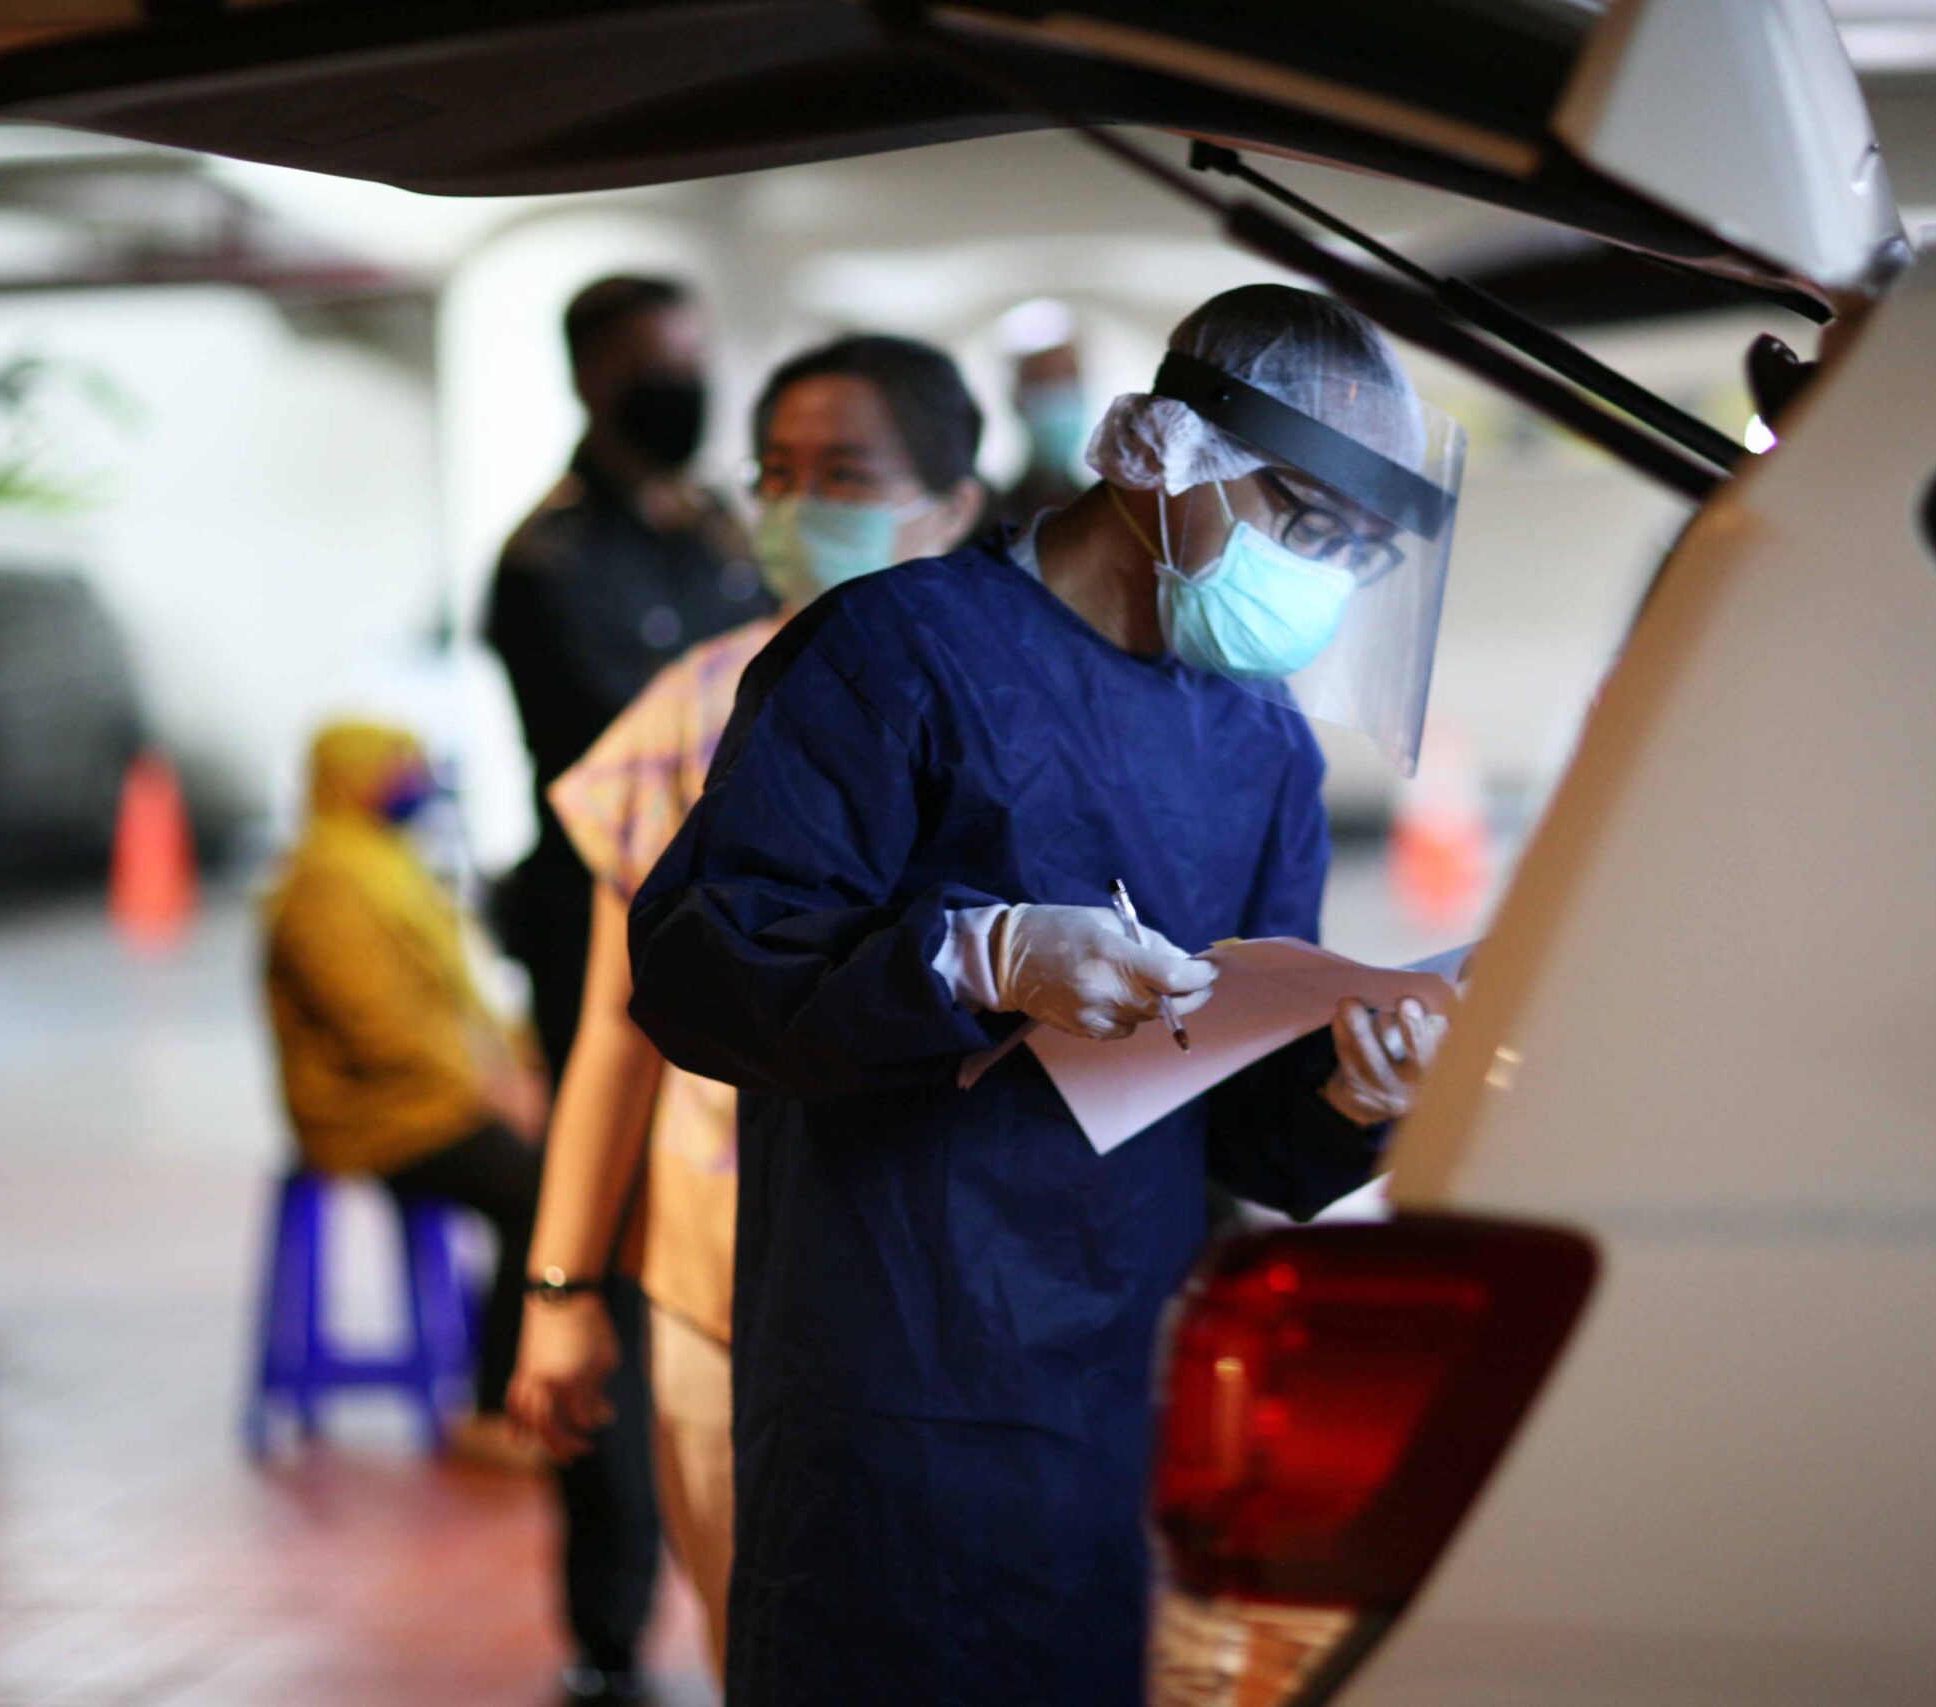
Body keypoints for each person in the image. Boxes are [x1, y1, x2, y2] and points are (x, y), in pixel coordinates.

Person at [624, 284, 1463, 1705]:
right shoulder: (893, 653)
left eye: (1355, 552)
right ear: (1161, 452)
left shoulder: (1262, 750)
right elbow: (706, 967)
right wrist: (978, 955)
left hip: (1106, 1378)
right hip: (888, 1359)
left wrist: (1351, 1091)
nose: (1318, 569)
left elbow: (1247, 1123)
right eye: (1302, 517)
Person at [503, 335, 987, 1684]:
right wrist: (561, 1284)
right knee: (760, 1644)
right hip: (722, 1277)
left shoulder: (1026, 707)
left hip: (956, 1283)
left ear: (955, 503)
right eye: (777, 471)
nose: (796, 505)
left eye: (846, 472)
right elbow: (614, 1024)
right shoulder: (694, 705)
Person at [488, 273, 767, 1705]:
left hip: (740, 949)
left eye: (695, 358)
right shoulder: (547, 559)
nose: (681, 386)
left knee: (711, 1264)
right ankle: (609, 1630)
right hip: (599, 934)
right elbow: (643, 754)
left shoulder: (723, 527)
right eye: (658, 363)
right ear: (592, 374)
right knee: (594, 1243)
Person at [260, 720, 548, 1452]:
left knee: (580, 1172)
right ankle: (493, 1407)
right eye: (395, 768)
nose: (410, 783)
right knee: (542, 1196)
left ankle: (542, 1383)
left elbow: (467, 995)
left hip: (438, 1096)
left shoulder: (388, 864)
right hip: (380, 1115)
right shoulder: (322, 884)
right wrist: (492, 1089)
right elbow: (384, 1032)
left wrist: (522, 1069)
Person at [1003, 332, 1089, 525]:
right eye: (1046, 389)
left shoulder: (1105, 510)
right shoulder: (990, 518)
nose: (1060, 402)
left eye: (1068, 386)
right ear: (1018, 401)